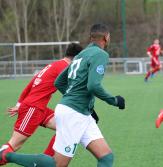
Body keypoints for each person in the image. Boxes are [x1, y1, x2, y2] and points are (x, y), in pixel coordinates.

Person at [0, 23, 125, 167]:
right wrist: (114, 101)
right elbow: (93, 85)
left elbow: (59, 82)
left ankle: (21, 155)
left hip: (81, 113)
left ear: (90, 38)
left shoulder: (80, 55)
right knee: (57, 164)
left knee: (106, 157)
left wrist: (82, 102)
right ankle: (7, 155)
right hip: (73, 113)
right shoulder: (101, 54)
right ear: (106, 37)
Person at [0, 43, 83, 165]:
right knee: (12, 147)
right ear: (76, 58)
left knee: (67, 126)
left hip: (39, 108)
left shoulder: (54, 65)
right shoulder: (64, 68)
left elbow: (30, 84)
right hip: (33, 108)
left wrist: (19, 105)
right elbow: (73, 88)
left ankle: (45, 161)